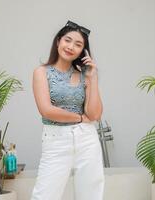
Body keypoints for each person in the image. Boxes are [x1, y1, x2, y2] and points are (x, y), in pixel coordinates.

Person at [31, 20, 104, 200]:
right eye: (68, 40)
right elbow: (46, 110)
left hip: (86, 138)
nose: (71, 47)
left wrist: (93, 78)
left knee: (91, 193)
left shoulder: (84, 75)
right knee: (44, 195)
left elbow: (95, 115)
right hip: (56, 139)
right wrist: (79, 118)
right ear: (58, 42)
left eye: (78, 44)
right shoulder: (41, 72)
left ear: (83, 51)